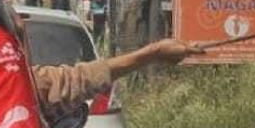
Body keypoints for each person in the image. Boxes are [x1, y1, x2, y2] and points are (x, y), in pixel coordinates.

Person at [31, 37, 203, 120]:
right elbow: (75, 80)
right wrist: (154, 53)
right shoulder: (15, 81)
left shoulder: (17, 80)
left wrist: (155, 52)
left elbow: (76, 80)